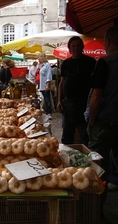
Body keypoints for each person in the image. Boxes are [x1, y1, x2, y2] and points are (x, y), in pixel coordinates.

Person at [87, 26, 118, 216]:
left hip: (105, 124)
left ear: (107, 42)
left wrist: (91, 122)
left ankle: (96, 211)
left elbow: (96, 97)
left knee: (98, 169)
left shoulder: (106, 63)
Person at [57, 36, 96, 145]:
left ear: (82, 47)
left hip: (83, 103)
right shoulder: (66, 63)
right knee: (67, 132)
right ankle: (67, 156)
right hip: (68, 103)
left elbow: (95, 86)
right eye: (73, 46)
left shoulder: (90, 62)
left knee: (85, 133)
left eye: (78, 46)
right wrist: (59, 100)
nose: (76, 48)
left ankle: (85, 156)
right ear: (69, 48)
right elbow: (62, 83)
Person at [37, 53, 53, 120]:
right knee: (43, 99)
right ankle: (45, 112)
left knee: (47, 99)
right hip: (41, 85)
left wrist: (47, 84)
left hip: (45, 85)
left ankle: (49, 113)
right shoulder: (40, 65)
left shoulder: (47, 65)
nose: (38, 59)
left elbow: (49, 75)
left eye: (39, 57)